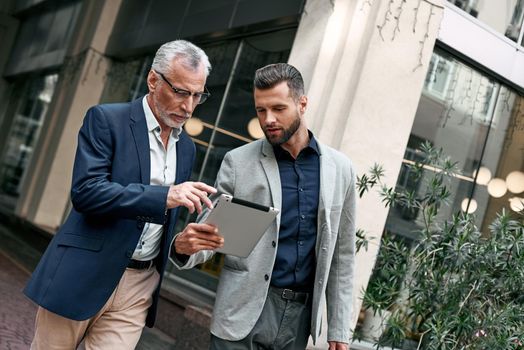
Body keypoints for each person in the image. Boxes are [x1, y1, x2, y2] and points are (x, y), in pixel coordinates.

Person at [24, 40, 223, 349]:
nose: (189, 106)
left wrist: (179, 245)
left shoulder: (187, 148)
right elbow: (87, 193)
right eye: (181, 92)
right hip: (83, 273)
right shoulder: (106, 120)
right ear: (154, 80)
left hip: (139, 286)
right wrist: (163, 196)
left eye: (198, 95)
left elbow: (159, 222)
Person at [172, 63, 356, 350]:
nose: (268, 119)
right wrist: (184, 247)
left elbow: (342, 256)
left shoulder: (341, 169)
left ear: (302, 103)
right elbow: (210, 235)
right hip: (240, 312)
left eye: (278, 109)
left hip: (299, 321)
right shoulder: (238, 162)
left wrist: (339, 330)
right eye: (261, 110)